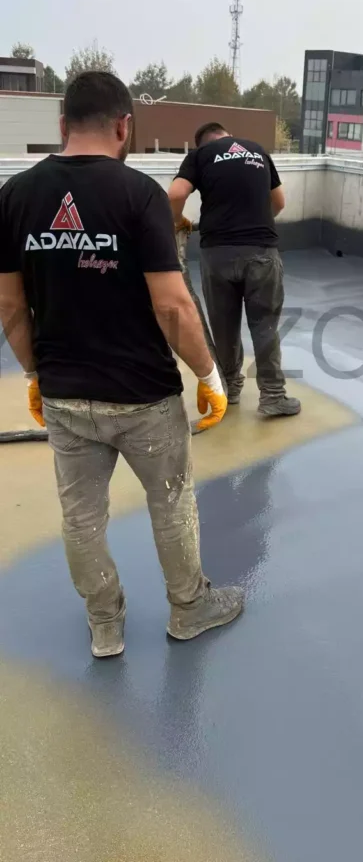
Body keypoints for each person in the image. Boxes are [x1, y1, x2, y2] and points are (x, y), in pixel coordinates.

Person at [0, 72, 244, 659]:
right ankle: (188, 609)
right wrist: (209, 377)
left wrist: (34, 374)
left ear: (63, 123)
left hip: (65, 396)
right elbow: (173, 306)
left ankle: (105, 625)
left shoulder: (15, 195)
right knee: (171, 503)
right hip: (144, 398)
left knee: (82, 518)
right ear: (124, 126)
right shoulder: (139, 194)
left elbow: (8, 305)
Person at [169, 122, 301, 417]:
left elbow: (175, 195)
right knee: (265, 326)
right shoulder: (258, 151)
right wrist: (255, 221)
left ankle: (230, 387)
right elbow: (279, 202)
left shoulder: (200, 156)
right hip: (261, 251)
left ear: (202, 143)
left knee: (224, 327)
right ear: (227, 135)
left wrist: (177, 222)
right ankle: (273, 396)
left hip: (218, 254)